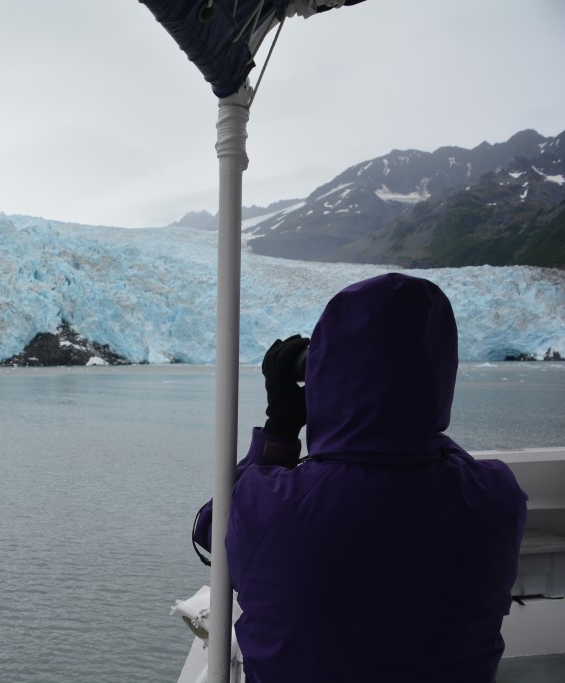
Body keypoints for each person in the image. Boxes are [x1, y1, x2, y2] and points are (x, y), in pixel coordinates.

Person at [220, 273, 527, 683]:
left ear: (327, 376)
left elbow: (213, 531)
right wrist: (412, 416)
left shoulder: (271, 506)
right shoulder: (497, 498)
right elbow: (435, 453)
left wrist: (281, 427)